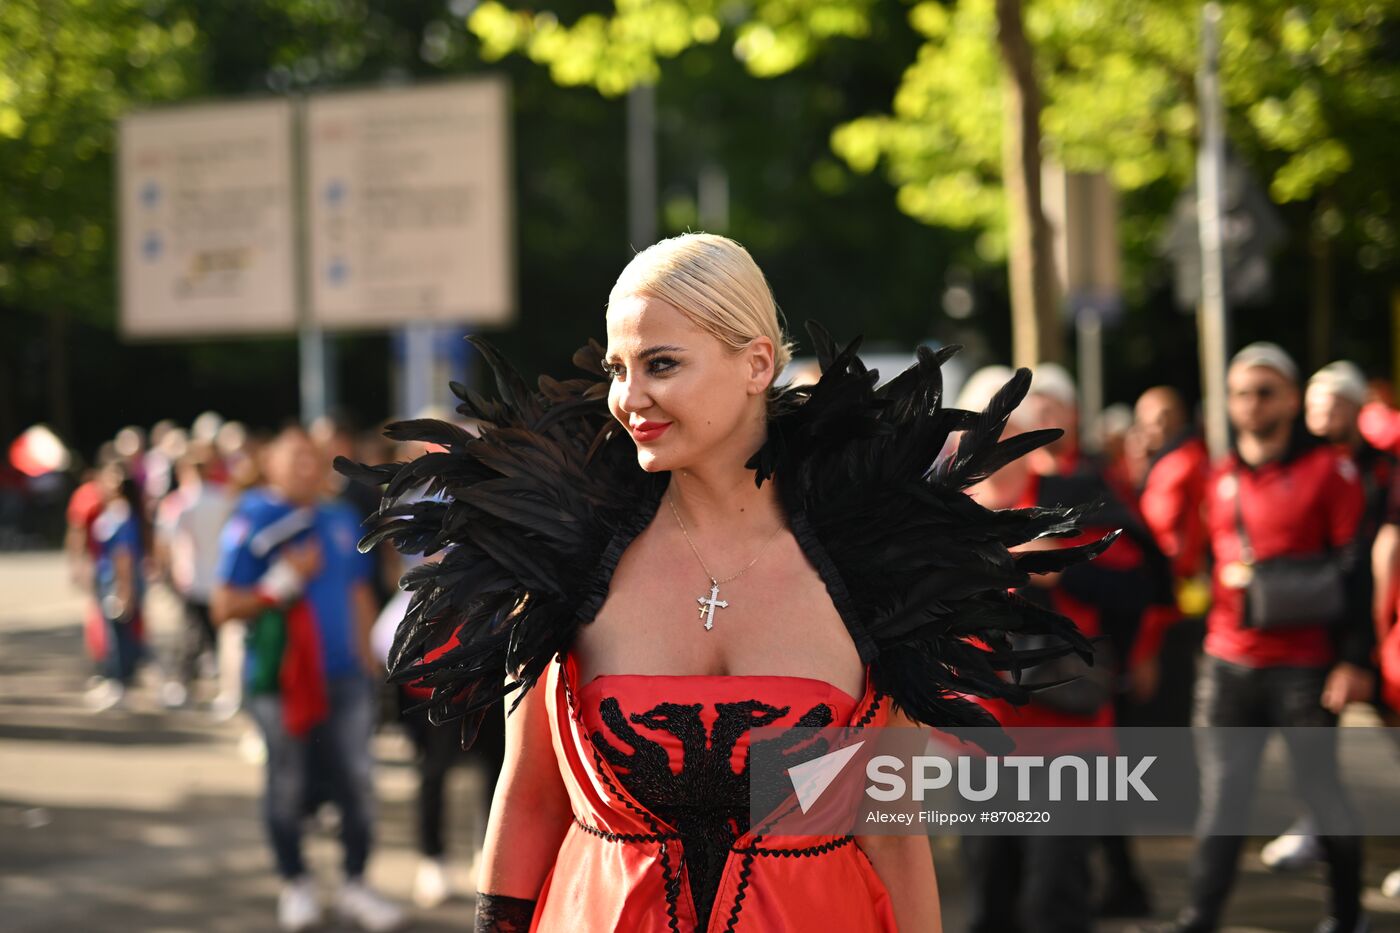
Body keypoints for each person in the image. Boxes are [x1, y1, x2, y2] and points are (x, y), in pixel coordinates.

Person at [339, 233, 1109, 932]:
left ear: (757, 364)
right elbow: (530, 797)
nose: (628, 397)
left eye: (661, 363)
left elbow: (889, 826)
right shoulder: (557, 556)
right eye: (618, 367)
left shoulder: (871, 561)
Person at [1148, 343, 1373, 933]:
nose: (1251, 403)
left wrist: (1355, 660)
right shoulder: (1218, 475)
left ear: (1293, 399)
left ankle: (1347, 918)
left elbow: (1357, 572)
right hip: (1226, 661)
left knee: (1323, 797)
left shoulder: (1332, 470)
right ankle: (1197, 921)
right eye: (1241, 392)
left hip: (1305, 666)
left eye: (1265, 391)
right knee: (1221, 804)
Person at [213, 425, 404, 933]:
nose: (307, 465)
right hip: (281, 682)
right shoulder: (253, 518)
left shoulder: (339, 517)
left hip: (345, 680)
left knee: (357, 785)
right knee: (288, 784)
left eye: (313, 457)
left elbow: (359, 594)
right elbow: (224, 605)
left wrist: (370, 663)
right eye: (295, 456)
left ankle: (355, 885)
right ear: (270, 463)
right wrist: (281, 583)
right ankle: (295, 883)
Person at [1260, 361, 1396, 872]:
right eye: (1315, 404)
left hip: (1378, 616)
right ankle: (1315, 823)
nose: (1322, 414)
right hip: (1319, 620)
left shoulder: (1384, 469)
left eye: (1334, 403)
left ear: (1358, 407)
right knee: (1313, 736)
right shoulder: (1292, 464)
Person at [87, 461, 149, 711]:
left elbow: (124, 555)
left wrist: (125, 590)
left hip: (119, 581)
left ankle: (120, 683)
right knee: (116, 633)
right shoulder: (115, 511)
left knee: (119, 636)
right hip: (110, 579)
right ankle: (118, 680)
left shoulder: (121, 514)